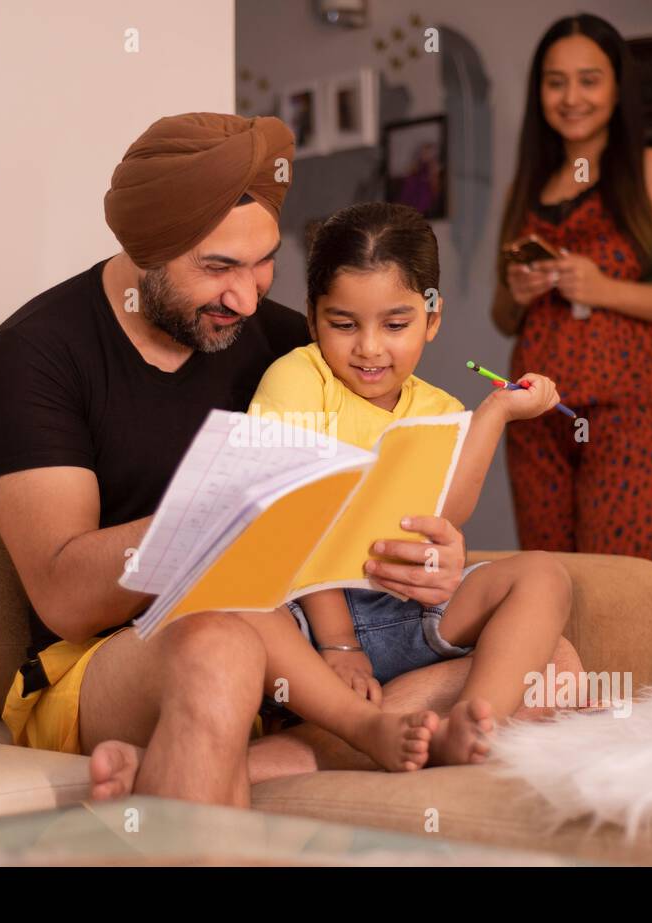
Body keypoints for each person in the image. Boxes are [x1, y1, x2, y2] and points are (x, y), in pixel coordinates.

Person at [0, 113, 485, 807]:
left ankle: (251, 761)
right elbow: (64, 597)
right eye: (217, 268)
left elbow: (358, 509)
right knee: (221, 640)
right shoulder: (36, 354)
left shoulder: (286, 344)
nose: (245, 297)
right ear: (145, 250)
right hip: (108, 660)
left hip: (292, 646)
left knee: (552, 664)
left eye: (263, 262)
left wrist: (429, 558)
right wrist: (222, 515)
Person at [248, 201, 584, 768]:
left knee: (545, 578)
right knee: (241, 610)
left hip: (400, 608)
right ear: (312, 318)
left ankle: (475, 726)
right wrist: (339, 644)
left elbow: (446, 514)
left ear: (431, 319)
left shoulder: (439, 407)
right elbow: (290, 523)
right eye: (344, 324)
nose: (370, 348)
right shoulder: (297, 380)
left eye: (396, 325)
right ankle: (322, 744)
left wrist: (496, 411)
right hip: (307, 619)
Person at [490, 14, 652, 564]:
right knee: (546, 584)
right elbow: (502, 316)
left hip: (628, 412)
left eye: (589, 79)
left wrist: (602, 287)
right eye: (555, 81)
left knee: (618, 582)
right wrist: (520, 290)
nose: (571, 97)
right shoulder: (525, 186)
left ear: (617, 87)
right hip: (536, 414)